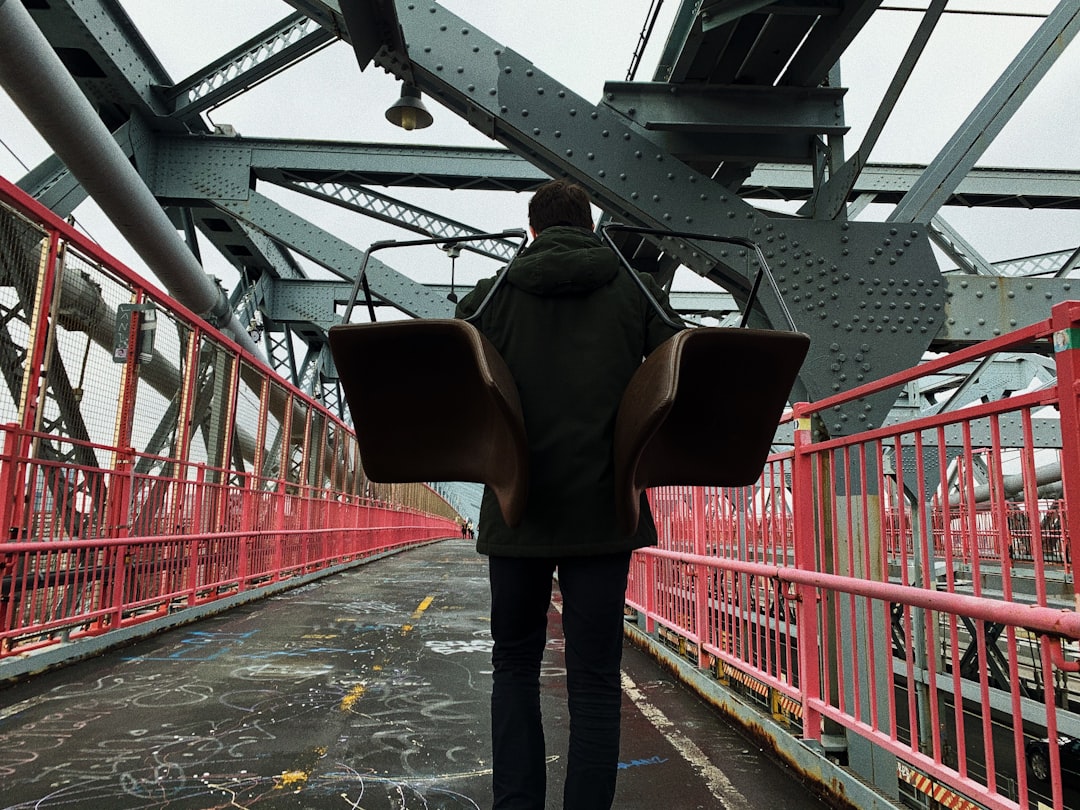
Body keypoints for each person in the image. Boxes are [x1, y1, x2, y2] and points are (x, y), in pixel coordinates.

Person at [455, 179, 682, 810]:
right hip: (605, 513)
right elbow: (680, 360)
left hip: (516, 509)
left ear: (531, 230)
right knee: (594, 682)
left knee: (514, 668)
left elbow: (454, 354)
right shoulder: (631, 289)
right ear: (589, 226)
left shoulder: (497, 292)